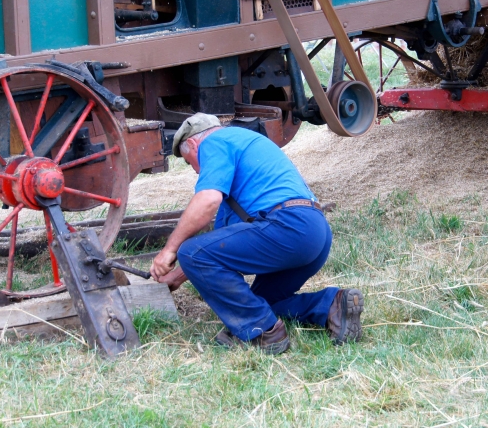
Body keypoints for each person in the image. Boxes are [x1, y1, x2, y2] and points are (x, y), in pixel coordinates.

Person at [150, 113, 364, 354]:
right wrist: (178, 276)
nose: (197, 172)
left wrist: (169, 251)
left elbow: (207, 200)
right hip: (315, 231)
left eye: (191, 163)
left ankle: (263, 333)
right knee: (259, 304)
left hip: (288, 226)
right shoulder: (244, 147)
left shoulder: (214, 143)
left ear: (193, 144)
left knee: (189, 251)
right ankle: (332, 305)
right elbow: (218, 245)